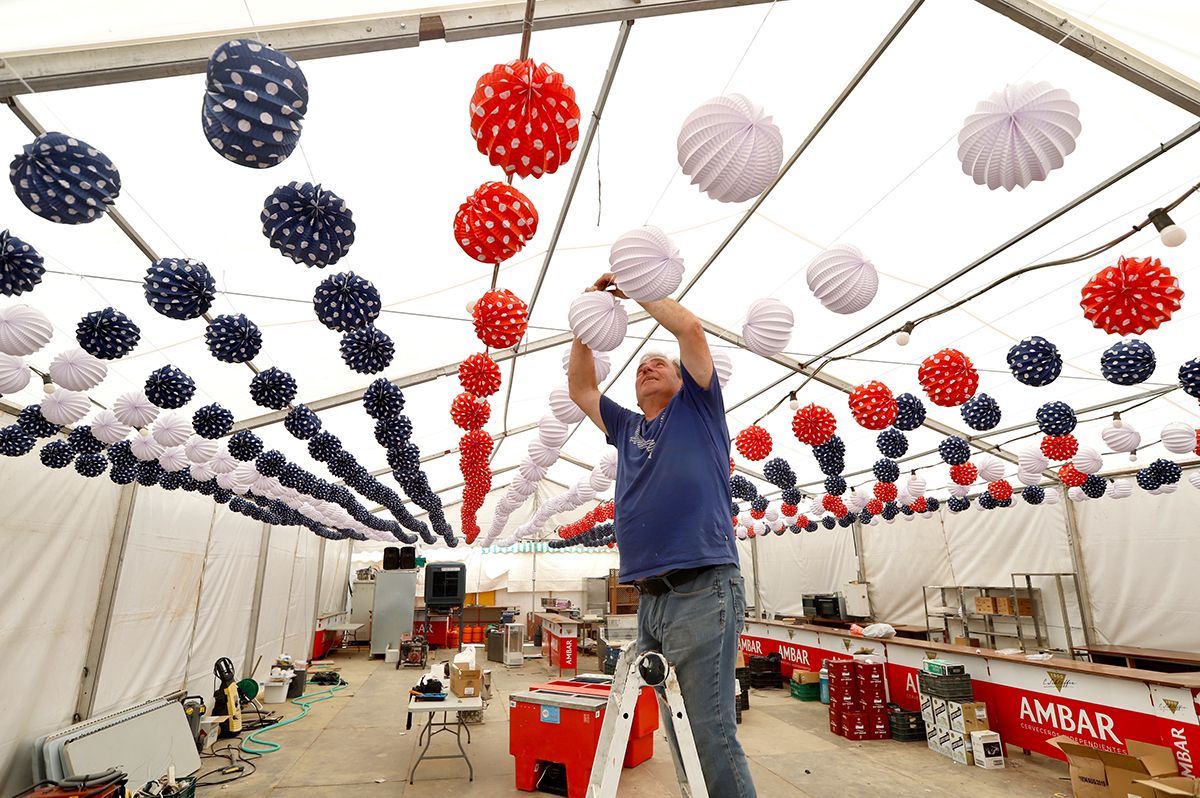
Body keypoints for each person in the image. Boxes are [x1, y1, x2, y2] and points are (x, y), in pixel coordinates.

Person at [568, 272, 755, 797]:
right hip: (650, 597)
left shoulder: (697, 410)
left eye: (660, 364)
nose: (648, 366)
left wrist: (638, 287)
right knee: (679, 729)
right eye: (641, 367)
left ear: (681, 380)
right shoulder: (627, 428)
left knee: (710, 732)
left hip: (702, 587)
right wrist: (586, 320)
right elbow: (581, 388)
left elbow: (691, 331)